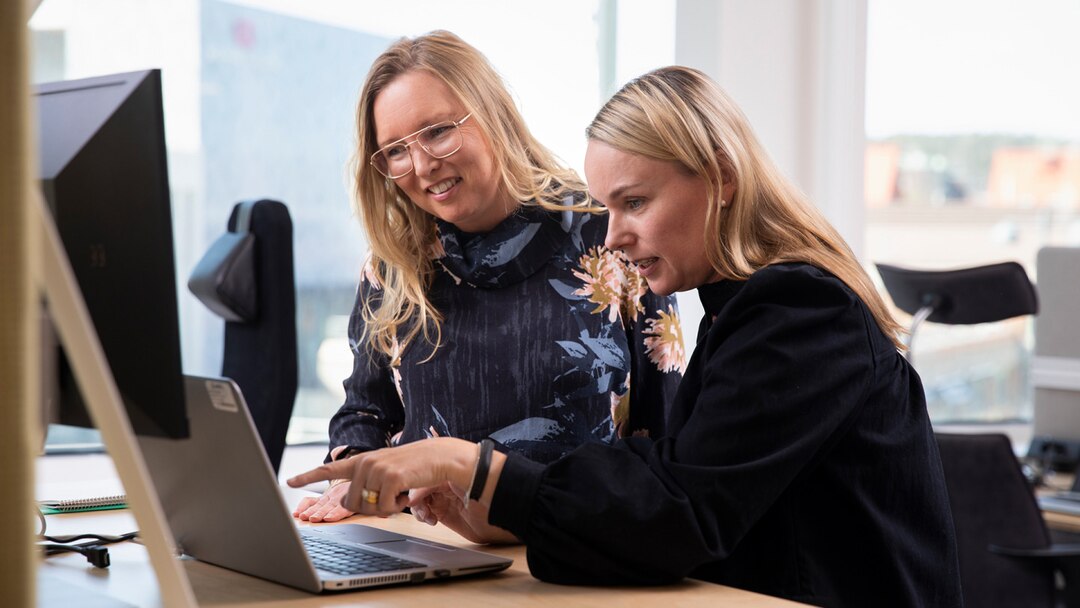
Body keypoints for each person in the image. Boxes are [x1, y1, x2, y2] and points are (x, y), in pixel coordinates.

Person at [289, 65, 964, 606]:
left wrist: (477, 469)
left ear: (722, 180)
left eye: (634, 202)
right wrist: (502, 506)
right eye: (609, 206)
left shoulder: (799, 312)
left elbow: (678, 510)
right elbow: (671, 474)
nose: (611, 236)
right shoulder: (745, 311)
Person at [293, 32, 683, 524]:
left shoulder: (611, 236)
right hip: (433, 550)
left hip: (577, 547)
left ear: (493, 113)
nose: (421, 165)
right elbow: (365, 413)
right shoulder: (392, 265)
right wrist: (354, 481)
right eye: (395, 150)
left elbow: (665, 432)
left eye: (437, 131)